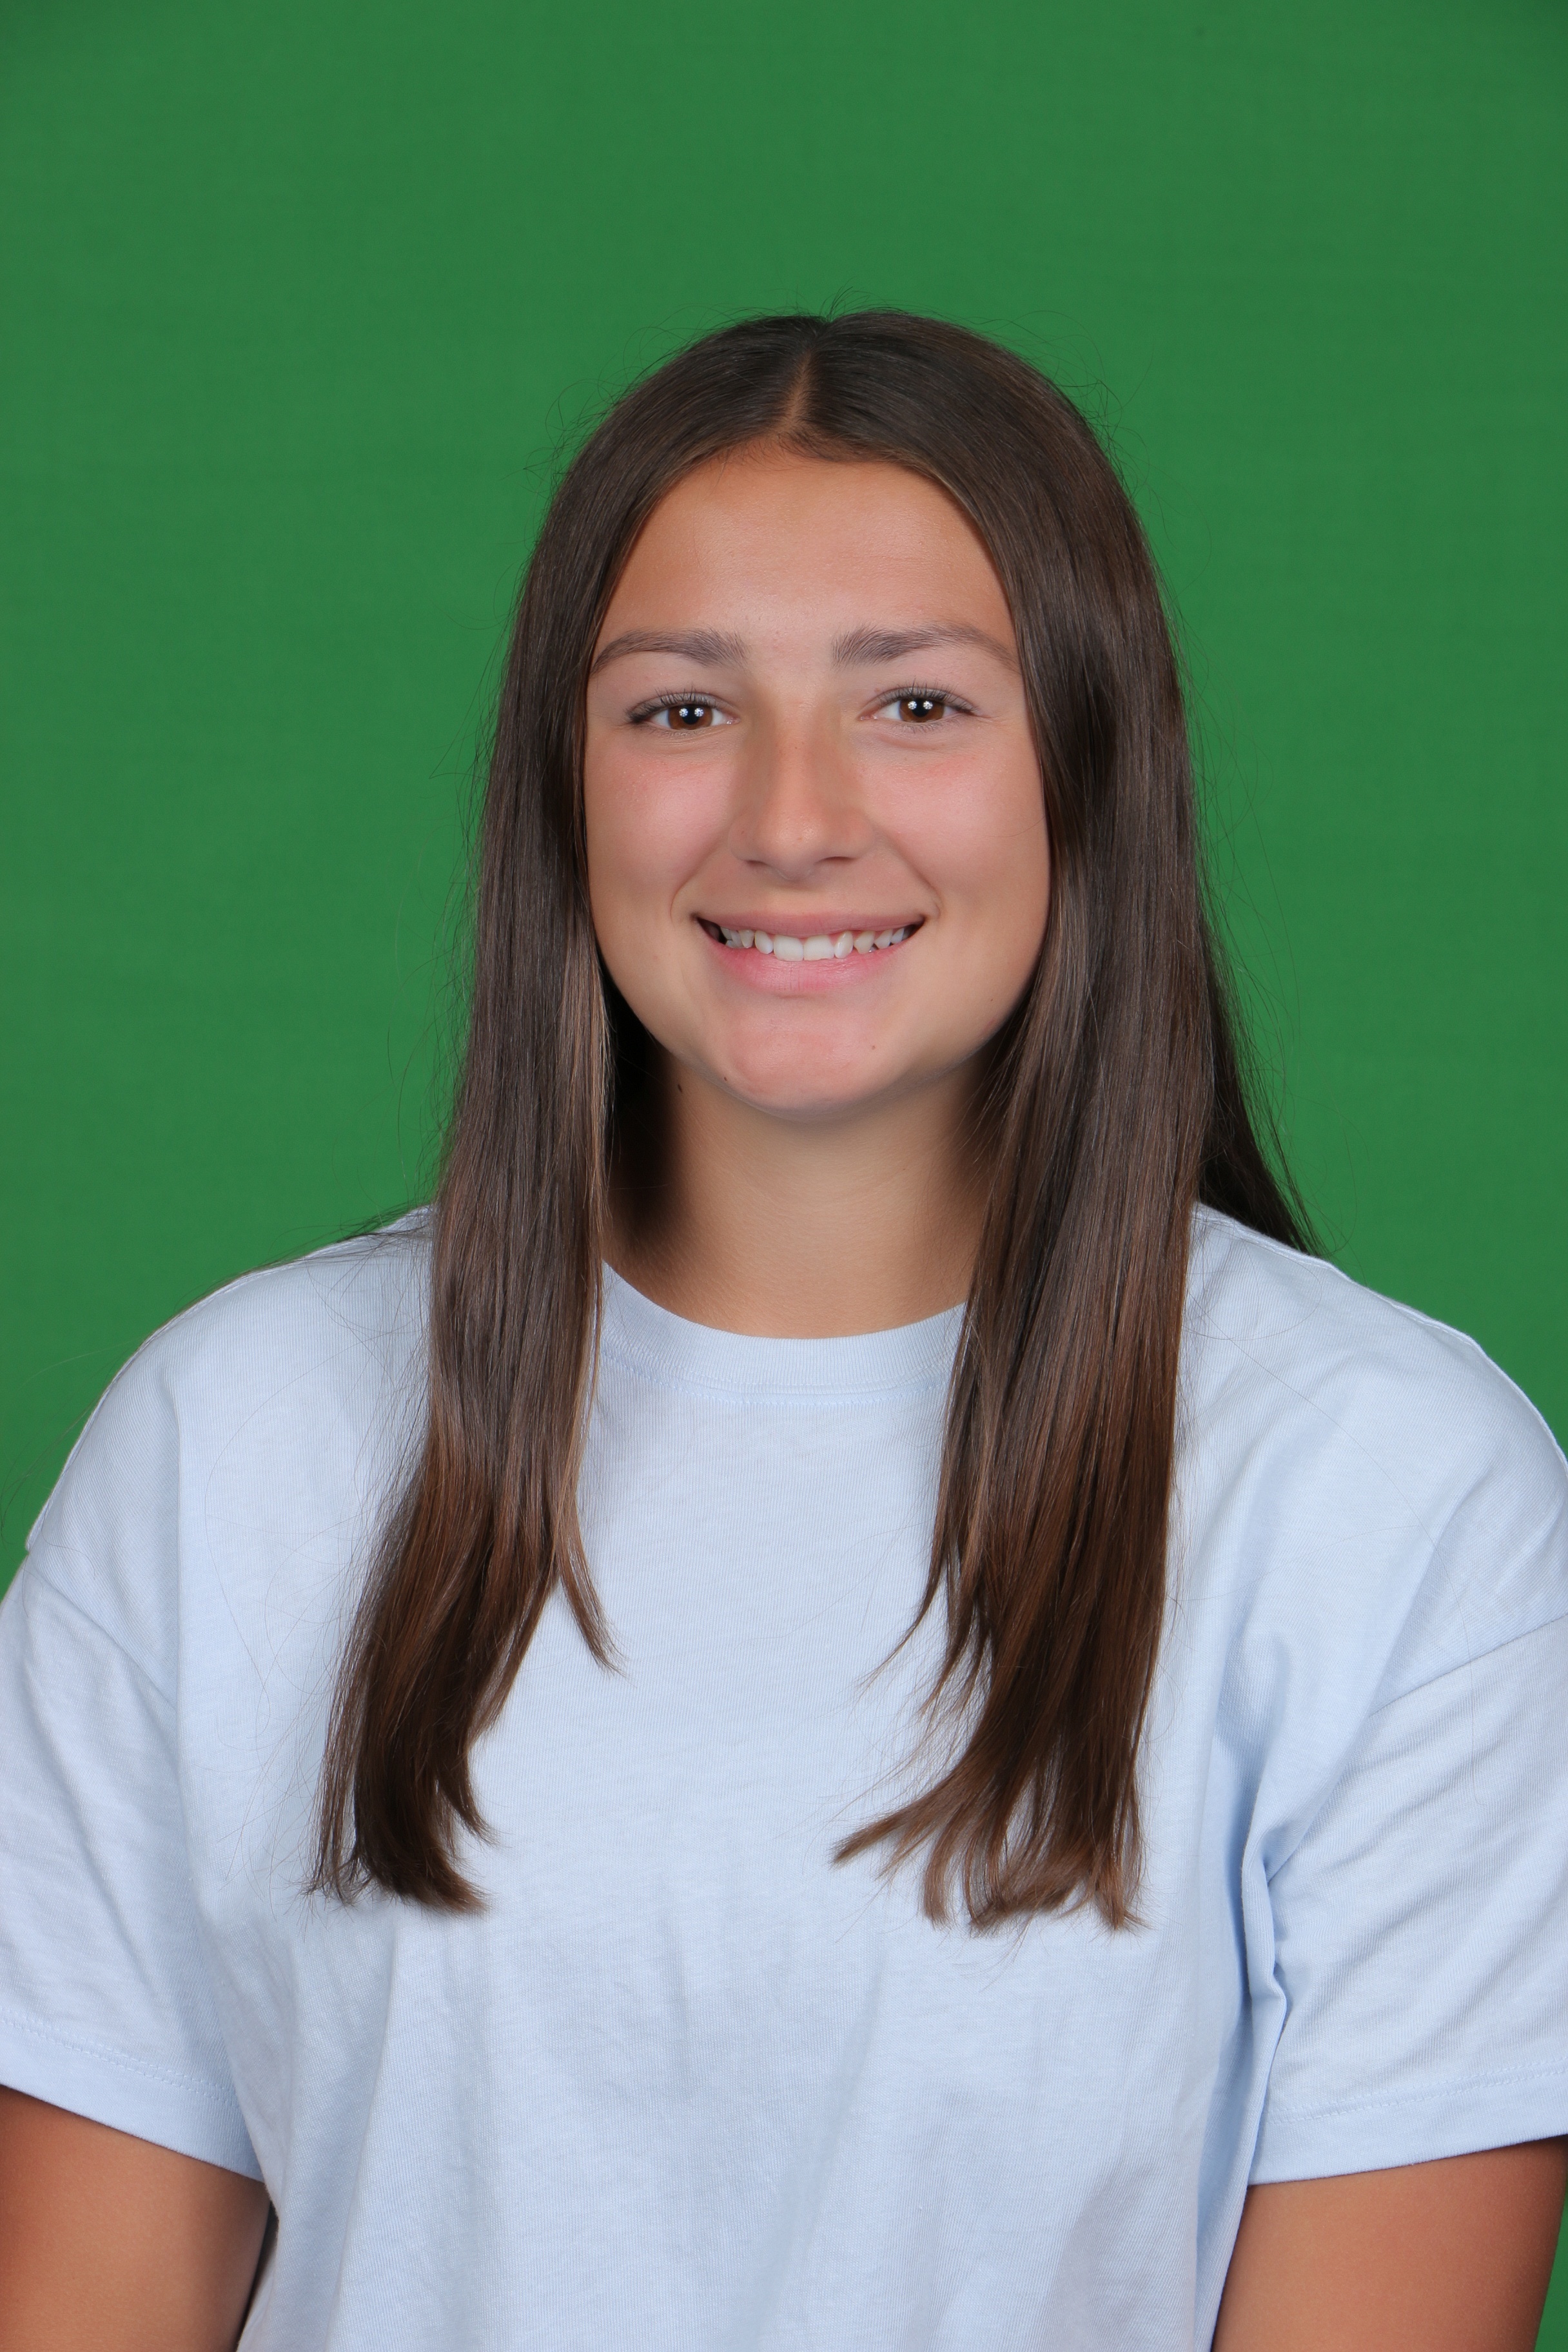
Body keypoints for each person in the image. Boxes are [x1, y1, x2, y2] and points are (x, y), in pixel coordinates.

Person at [0, 311, 1563, 2352]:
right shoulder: (230, 1444)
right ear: (562, 789)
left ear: (1090, 769)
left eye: (917, 703)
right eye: (680, 710)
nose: (793, 816)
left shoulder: (1395, 1497)